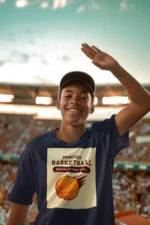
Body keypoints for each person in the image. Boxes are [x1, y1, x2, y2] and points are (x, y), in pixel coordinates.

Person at [7, 43, 150, 225]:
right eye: (68, 95)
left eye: (83, 97)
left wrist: (115, 68)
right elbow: (21, 202)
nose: (75, 100)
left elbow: (144, 102)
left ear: (91, 107)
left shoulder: (103, 138)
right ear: (58, 104)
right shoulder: (36, 148)